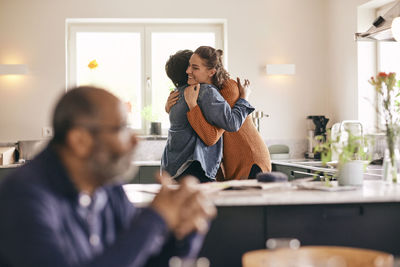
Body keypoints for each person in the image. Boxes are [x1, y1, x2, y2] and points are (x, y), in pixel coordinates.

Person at [0, 86, 216, 267]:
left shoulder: (107, 186)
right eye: (122, 129)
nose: (135, 141)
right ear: (80, 140)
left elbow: (139, 259)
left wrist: (183, 234)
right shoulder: (23, 198)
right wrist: (155, 219)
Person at [167, 46, 271, 180]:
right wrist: (171, 105)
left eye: (194, 68)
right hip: (232, 161)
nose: (189, 71)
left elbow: (211, 136)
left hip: (249, 157)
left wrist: (244, 97)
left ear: (211, 71)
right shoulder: (203, 92)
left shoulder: (226, 88)